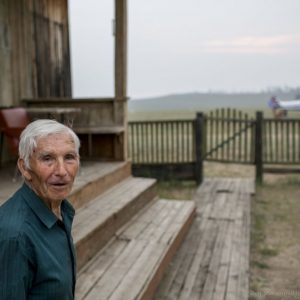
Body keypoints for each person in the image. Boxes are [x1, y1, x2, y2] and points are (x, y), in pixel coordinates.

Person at [0, 119, 80, 299]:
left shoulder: (61, 211)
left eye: (69, 157)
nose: (61, 170)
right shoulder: (14, 235)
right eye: (47, 158)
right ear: (24, 167)